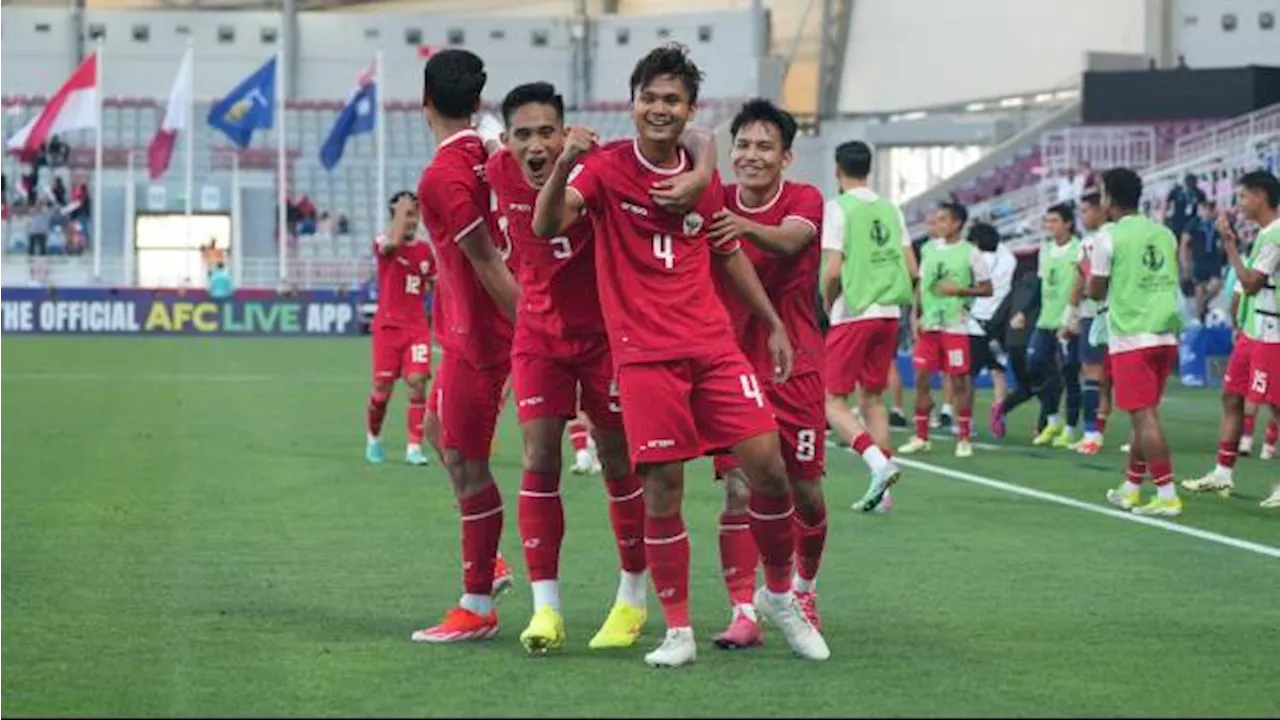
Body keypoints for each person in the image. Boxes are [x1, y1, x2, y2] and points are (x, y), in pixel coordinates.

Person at [534, 43, 829, 668]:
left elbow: (725, 250)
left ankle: (779, 595)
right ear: (632, 104)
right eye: (649, 98)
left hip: (714, 348)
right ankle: (678, 630)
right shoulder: (607, 169)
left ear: (689, 108)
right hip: (643, 357)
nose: (659, 109)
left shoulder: (705, 178)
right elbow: (547, 225)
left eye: (672, 99)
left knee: (768, 467)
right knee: (662, 488)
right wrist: (563, 164)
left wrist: (773, 322)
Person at [486, 81, 652, 654]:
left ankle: (632, 596)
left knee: (617, 461)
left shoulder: (597, 170)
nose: (536, 146)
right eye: (523, 135)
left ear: (565, 133)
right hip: (538, 338)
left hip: (606, 338)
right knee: (538, 458)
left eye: (547, 133)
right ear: (505, 140)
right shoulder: (495, 172)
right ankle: (546, 610)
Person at [702, 99, 830, 647]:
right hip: (732, 363)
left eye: (764, 147)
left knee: (804, 491)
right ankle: (744, 612)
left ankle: (803, 587)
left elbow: (791, 239)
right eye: (743, 146)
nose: (751, 156)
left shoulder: (804, 199)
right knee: (738, 487)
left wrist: (742, 225)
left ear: (785, 157)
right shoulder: (714, 197)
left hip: (795, 361)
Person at [409, 49, 521, 644]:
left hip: (479, 336)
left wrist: (533, 336)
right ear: (477, 101)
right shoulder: (490, 149)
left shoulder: (443, 178)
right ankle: (492, 561)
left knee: (469, 465)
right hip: (467, 331)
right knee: (436, 431)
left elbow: (487, 265)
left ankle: (477, 601)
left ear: (423, 100)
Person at [818, 139, 913, 513]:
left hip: (854, 310)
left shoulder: (838, 208)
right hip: (889, 312)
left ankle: (877, 462)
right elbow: (912, 267)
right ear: (869, 169)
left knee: (830, 400)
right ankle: (883, 494)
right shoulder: (891, 209)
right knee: (873, 398)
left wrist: (828, 301)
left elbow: (834, 269)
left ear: (837, 170)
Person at [1088, 167, 1184, 516]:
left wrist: (1090, 280)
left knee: (1144, 417)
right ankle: (1131, 486)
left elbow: (1095, 290)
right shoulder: (1165, 233)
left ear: (1108, 198)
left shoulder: (1107, 237)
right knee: (1144, 414)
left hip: (1131, 335)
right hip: (1165, 332)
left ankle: (1167, 493)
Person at [1182, 171, 1280, 508]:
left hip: (1273, 332)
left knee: (1276, 405)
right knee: (1232, 396)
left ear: (1261, 196)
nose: (1239, 203)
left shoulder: (1276, 235)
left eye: (1243, 197)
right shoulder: (1265, 234)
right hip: (1254, 330)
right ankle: (1222, 473)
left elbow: (1251, 282)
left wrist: (1229, 246)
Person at [899, 202, 993, 457]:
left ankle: (963, 436)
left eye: (942, 219)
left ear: (956, 223)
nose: (936, 224)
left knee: (959, 381)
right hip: (929, 326)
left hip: (955, 326)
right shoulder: (928, 249)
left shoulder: (970, 253)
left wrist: (960, 291)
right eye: (935, 219)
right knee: (920, 379)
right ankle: (921, 435)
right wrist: (915, 316)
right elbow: (922, 284)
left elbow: (987, 288)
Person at [993, 203, 1082, 447]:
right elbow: (1042, 286)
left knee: (1069, 375)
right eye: (1047, 221)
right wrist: (1023, 311)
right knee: (1035, 367)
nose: (1049, 226)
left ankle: (1071, 429)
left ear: (1068, 224)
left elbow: (1080, 284)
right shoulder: (1045, 250)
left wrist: (1073, 315)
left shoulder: (1079, 249)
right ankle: (1052, 421)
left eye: (1054, 221)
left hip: (1068, 320)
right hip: (1045, 320)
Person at [363, 192, 435, 467]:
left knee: (417, 383)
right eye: (405, 215)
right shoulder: (383, 241)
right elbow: (391, 243)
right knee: (382, 391)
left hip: (416, 328)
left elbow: (432, 284)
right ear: (393, 216)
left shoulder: (425, 251)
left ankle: (414, 448)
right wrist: (401, 211)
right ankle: (373, 437)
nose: (410, 221)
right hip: (388, 328)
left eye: (414, 215)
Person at [1068, 191, 1113, 455]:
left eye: (1086, 211)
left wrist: (1069, 317)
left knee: (1094, 373)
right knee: (1104, 377)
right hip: (1107, 313)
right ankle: (1097, 432)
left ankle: (1092, 434)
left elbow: (1080, 283)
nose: (1083, 217)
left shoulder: (1092, 243)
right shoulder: (1092, 241)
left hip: (1097, 313)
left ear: (1101, 210)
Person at [966, 221, 1016, 438]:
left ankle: (966, 421)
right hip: (999, 322)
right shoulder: (1008, 258)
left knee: (968, 375)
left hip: (975, 321)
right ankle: (999, 409)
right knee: (998, 371)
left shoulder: (974, 259)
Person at [1179, 200, 1224, 325]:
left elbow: (1223, 239)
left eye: (1211, 209)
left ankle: (1204, 303)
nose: (1209, 211)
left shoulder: (1216, 223)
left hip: (1214, 259)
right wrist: (1185, 263)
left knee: (1216, 286)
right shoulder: (1194, 224)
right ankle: (1201, 318)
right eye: (1207, 208)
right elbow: (1184, 243)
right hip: (1199, 259)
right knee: (1200, 287)